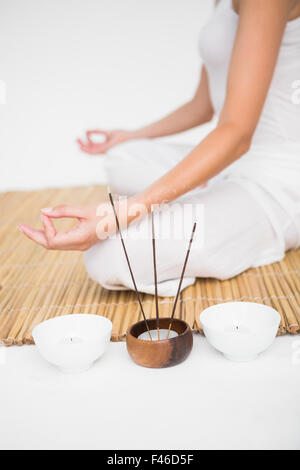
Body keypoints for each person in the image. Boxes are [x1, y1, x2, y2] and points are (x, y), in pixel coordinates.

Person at [19, 0, 300, 296]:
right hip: (228, 166)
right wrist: (130, 135)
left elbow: (237, 134)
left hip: (276, 184)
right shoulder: (220, 2)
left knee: (109, 255)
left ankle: (239, 226)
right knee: (121, 157)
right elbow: (202, 106)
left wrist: (119, 215)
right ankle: (205, 203)